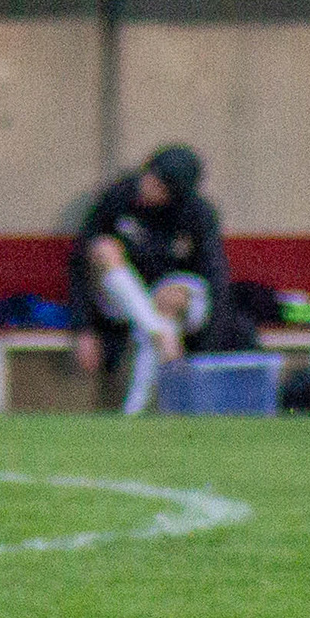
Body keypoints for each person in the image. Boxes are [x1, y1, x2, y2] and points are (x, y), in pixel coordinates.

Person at [73, 145, 226, 416]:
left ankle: (136, 409)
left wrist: (207, 340)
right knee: (104, 249)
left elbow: (214, 277)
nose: (147, 188)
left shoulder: (197, 215)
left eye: (159, 187)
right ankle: (158, 333)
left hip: (172, 299)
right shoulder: (118, 197)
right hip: (123, 298)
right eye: (149, 178)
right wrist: (84, 328)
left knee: (169, 298)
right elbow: (79, 263)